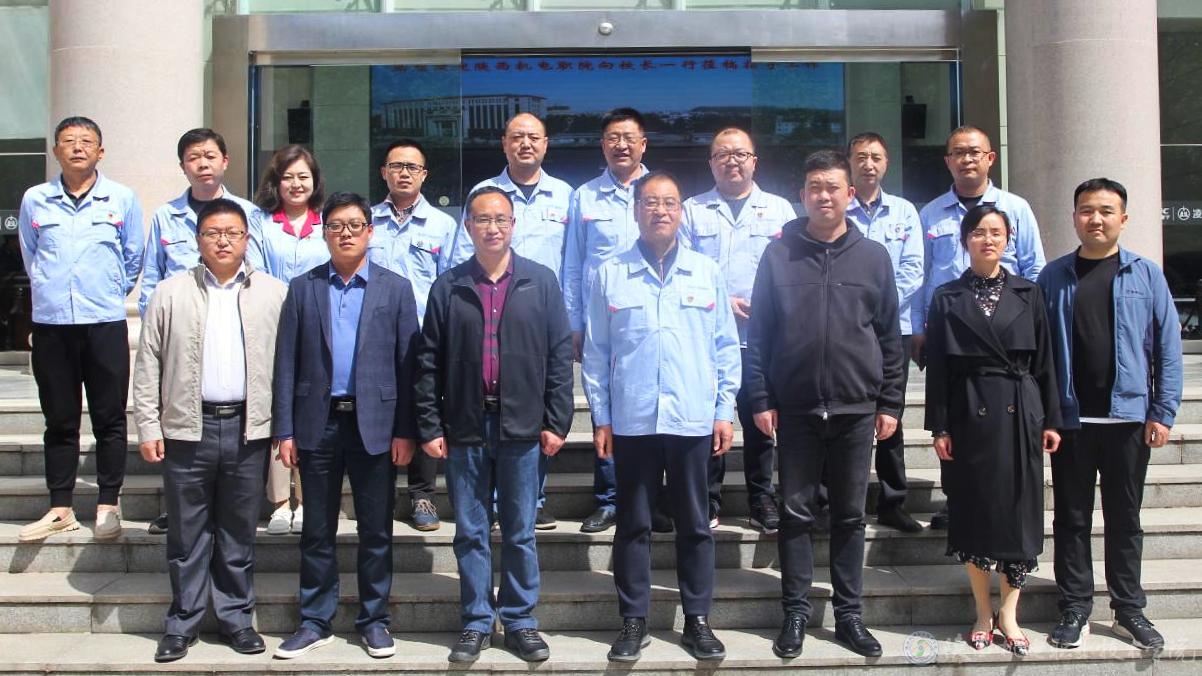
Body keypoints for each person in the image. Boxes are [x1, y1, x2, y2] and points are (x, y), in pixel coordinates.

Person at [744, 150, 903, 659]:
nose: (824, 196)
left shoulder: (873, 256)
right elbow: (760, 334)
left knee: (850, 516)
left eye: (833, 187)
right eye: (815, 187)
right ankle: (795, 612)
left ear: (850, 194)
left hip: (856, 407)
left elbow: (889, 336)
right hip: (796, 407)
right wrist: (761, 397)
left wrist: (890, 402)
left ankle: (849, 615)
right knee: (794, 514)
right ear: (802, 195)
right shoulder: (779, 254)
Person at [583, 170, 740, 663]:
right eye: (650, 203)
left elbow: (725, 346)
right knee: (633, 524)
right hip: (633, 420)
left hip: (692, 417)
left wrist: (724, 410)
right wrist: (602, 418)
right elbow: (596, 354)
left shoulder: (705, 271)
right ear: (635, 211)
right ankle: (634, 620)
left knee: (695, 524)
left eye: (670, 203)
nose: (660, 211)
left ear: (681, 211)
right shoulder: (610, 273)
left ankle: (698, 620)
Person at [415, 186, 574, 664]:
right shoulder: (449, 285)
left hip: (523, 427)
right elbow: (428, 361)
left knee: (521, 530)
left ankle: (521, 620)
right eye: (482, 219)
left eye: (501, 219)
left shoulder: (540, 282)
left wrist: (557, 420)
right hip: (465, 425)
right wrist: (430, 425)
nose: (492, 227)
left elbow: (559, 355)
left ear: (513, 225)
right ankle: (477, 620)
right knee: (470, 530)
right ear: (467, 226)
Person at [132, 199, 287, 663]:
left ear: (247, 239)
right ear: (198, 239)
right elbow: (148, 363)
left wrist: (284, 428)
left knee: (238, 532)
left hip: (247, 429)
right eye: (213, 233)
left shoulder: (274, 293)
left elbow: (287, 366)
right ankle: (183, 623)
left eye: (232, 233)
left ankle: (237, 619)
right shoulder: (170, 292)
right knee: (186, 535)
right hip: (187, 429)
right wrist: (147, 424)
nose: (223, 241)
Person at [272, 192, 420, 660]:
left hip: (375, 425)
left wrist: (406, 430)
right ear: (324, 232)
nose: (346, 233)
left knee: (376, 530)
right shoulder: (304, 287)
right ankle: (315, 620)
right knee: (317, 529)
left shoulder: (395, 289)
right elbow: (285, 362)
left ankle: (374, 620)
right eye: (336, 225)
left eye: (355, 225)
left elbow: (408, 366)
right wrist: (284, 430)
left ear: (370, 232)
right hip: (317, 424)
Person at [1039, 178, 1183, 651]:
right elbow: (1041, 353)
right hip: (1072, 422)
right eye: (1086, 210)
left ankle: (1128, 609)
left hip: (1129, 422)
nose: (1095, 219)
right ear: (1074, 217)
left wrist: (1162, 411)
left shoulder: (1146, 274)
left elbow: (1168, 347)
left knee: (1125, 519)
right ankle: (1075, 607)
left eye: (1105, 211)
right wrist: (1047, 415)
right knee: (1071, 519)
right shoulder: (1054, 276)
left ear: (1123, 218)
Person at [924, 204, 1062, 656]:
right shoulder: (947, 296)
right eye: (979, 232)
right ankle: (983, 611)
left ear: (1008, 240)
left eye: (997, 233)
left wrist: (1052, 418)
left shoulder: (1029, 292)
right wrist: (939, 426)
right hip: (968, 411)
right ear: (966, 239)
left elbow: (1046, 361)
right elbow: (938, 368)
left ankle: (1010, 613)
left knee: (1019, 511)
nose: (988, 240)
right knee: (973, 510)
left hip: (1019, 408)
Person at [16, 116, 143, 543]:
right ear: (55, 151)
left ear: (100, 152)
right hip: (52, 325)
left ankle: (108, 504)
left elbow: (132, 257)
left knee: (110, 418)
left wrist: (105, 292)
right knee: (60, 419)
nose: (77, 148)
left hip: (103, 322)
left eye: (86, 141)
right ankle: (61, 507)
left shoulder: (121, 198)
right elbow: (31, 257)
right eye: (68, 141)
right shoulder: (36, 199)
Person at [913, 126, 1047, 531]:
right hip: (953, 329)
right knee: (956, 416)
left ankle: (1008, 510)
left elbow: (1034, 267)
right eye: (958, 152)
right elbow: (921, 274)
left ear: (990, 158)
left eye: (974, 152)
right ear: (948, 161)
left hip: (1005, 332)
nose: (966, 159)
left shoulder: (1016, 208)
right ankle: (957, 500)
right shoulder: (930, 213)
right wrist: (920, 327)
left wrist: (1027, 321)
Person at [445, 112, 573, 530]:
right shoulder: (485, 194)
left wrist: (571, 321)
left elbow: (573, 262)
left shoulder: (566, 195)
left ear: (546, 144)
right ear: (503, 143)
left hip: (538, 314)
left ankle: (530, 501)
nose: (525, 144)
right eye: (517, 137)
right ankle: (494, 505)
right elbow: (458, 257)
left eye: (534, 137)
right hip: (485, 308)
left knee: (530, 408)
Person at [139, 127, 263, 537]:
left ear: (225, 161)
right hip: (179, 331)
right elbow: (152, 276)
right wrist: (156, 326)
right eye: (194, 157)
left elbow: (259, 275)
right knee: (180, 432)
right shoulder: (166, 215)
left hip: (232, 327)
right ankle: (177, 510)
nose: (203, 163)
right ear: (183, 166)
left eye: (210, 155)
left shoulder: (247, 213)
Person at [679, 126, 795, 533]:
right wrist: (722, 301)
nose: (732, 161)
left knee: (761, 421)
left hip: (764, 339)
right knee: (711, 419)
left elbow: (793, 270)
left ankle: (761, 497)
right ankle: (709, 497)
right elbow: (681, 270)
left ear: (754, 162)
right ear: (711, 163)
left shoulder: (780, 210)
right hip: (709, 338)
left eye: (740, 154)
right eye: (723, 154)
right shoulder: (692, 210)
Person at [564, 107, 651, 534]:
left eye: (629, 138)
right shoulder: (585, 196)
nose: (621, 145)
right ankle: (610, 499)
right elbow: (573, 265)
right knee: (605, 409)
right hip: (602, 324)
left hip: (651, 321)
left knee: (652, 407)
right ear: (602, 146)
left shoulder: (662, 191)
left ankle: (651, 498)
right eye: (613, 138)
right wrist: (574, 323)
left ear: (643, 145)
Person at [368, 138, 458, 532]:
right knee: (381, 412)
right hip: (375, 336)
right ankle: (380, 492)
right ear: (383, 173)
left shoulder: (443, 226)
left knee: (425, 410)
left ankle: (423, 494)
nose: (403, 173)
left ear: (424, 175)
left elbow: (451, 283)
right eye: (396, 166)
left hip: (423, 335)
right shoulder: (367, 222)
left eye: (412, 167)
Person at [844, 132, 924, 533]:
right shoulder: (839, 207)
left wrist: (878, 306)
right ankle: (837, 499)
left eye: (875, 157)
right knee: (843, 414)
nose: (868, 164)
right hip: (846, 330)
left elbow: (914, 268)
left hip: (894, 331)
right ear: (850, 163)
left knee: (891, 414)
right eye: (861, 157)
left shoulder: (905, 212)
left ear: (886, 163)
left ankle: (893, 501)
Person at [253, 144, 330, 536]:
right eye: (288, 177)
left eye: (303, 176)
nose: (296, 184)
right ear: (276, 182)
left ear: (315, 181)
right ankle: (281, 502)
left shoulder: (327, 223)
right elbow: (256, 272)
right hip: (273, 323)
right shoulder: (260, 224)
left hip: (319, 325)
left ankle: (309, 498)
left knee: (312, 407)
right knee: (278, 407)